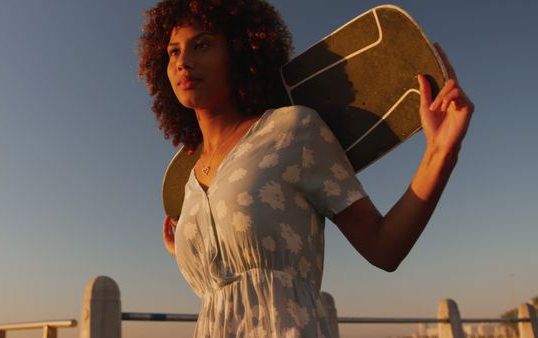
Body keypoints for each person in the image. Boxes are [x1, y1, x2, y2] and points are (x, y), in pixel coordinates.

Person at [138, 1, 474, 337]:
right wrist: (185, 240)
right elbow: (225, 285)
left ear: (238, 53)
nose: (183, 62)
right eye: (172, 52)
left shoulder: (292, 129)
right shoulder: (190, 183)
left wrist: (441, 152)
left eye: (202, 45)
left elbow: (383, 247)